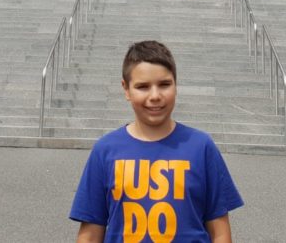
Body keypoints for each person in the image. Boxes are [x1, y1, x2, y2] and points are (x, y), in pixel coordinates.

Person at [70, 41, 243, 242]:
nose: (155, 96)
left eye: (164, 84)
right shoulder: (105, 150)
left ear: (176, 85)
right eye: (142, 87)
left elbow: (220, 231)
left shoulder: (201, 147)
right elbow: (90, 232)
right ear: (126, 89)